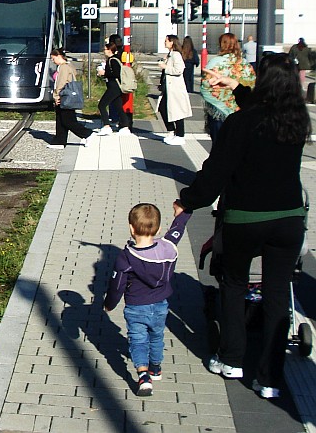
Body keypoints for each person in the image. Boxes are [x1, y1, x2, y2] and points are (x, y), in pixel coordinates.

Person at [176, 52, 311, 400]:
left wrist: (187, 201)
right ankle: (269, 379)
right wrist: (235, 86)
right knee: (278, 293)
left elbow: (215, 173)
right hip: (289, 220)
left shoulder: (240, 124)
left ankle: (232, 359)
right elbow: (263, 110)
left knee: (233, 284)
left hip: (246, 220)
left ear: (262, 82)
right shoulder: (297, 121)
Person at [104, 202, 191, 397]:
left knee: (138, 339)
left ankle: (143, 375)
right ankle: (156, 367)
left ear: (131, 228)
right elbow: (177, 231)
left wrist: (109, 304)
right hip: (161, 304)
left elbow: (117, 286)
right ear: (158, 229)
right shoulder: (167, 248)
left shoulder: (126, 257)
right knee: (157, 335)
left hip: (136, 306)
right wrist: (184, 212)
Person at [201, 33, 255, 139]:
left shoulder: (214, 62)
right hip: (240, 110)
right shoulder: (245, 64)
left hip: (218, 112)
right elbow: (252, 85)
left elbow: (205, 87)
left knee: (219, 144)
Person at [48, 48, 93, 148]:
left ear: (59, 56)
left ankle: (87, 134)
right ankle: (59, 141)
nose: (53, 61)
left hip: (64, 96)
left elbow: (61, 82)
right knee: (60, 119)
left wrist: (56, 95)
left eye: (53, 58)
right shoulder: (69, 65)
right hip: (66, 95)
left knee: (68, 120)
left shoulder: (63, 67)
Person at [158, 35, 191, 145]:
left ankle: (180, 135)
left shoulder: (176, 55)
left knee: (177, 111)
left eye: (166, 40)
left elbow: (179, 69)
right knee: (163, 108)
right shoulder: (170, 54)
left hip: (175, 88)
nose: (164, 42)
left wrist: (165, 67)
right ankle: (172, 131)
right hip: (168, 87)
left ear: (172, 42)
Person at [96, 40, 132, 135]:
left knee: (102, 105)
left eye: (105, 49)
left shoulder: (113, 60)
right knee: (118, 106)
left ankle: (106, 126)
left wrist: (104, 73)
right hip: (115, 86)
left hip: (114, 87)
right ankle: (125, 126)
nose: (104, 51)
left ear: (109, 50)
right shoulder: (113, 59)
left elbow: (116, 73)